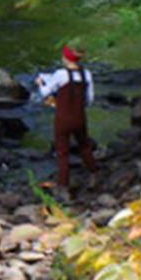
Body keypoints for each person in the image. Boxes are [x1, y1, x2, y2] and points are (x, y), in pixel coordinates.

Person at [34, 45, 98, 199]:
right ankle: (94, 175)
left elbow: (45, 92)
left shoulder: (60, 74)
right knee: (85, 146)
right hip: (80, 117)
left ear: (66, 58)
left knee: (62, 152)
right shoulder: (86, 74)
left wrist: (40, 83)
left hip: (63, 119)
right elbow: (89, 99)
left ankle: (63, 187)